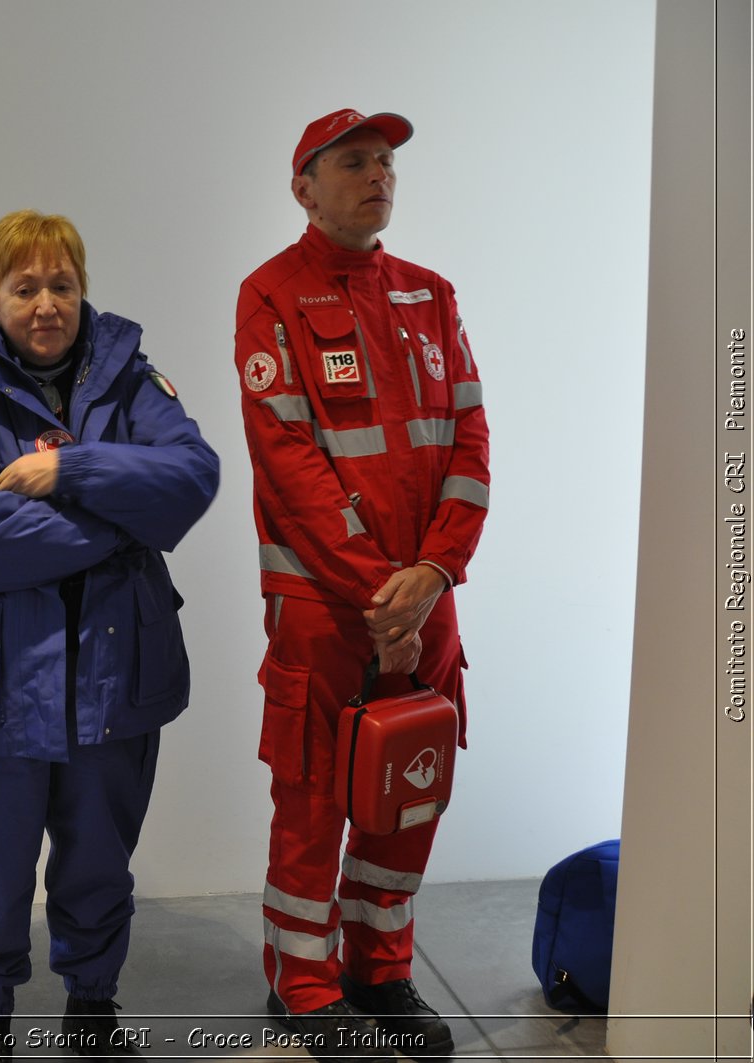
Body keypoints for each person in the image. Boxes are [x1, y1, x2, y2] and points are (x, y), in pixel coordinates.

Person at [0, 210, 219, 1060]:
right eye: (25, 287)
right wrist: (122, 522)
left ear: (82, 290)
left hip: (115, 679)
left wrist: (71, 470)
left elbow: (193, 478)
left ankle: (92, 1008)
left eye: (62, 285)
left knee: (98, 866)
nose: (46, 304)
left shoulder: (135, 386)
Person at [233, 109, 490, 1062]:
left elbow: (470, 443)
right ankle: (302, 983)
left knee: (408, 786)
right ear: (304, 186)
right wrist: (382, 591)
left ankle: (377, 969)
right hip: (323, 603)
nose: (377, 174)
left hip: (427, 599)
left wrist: (432, 572)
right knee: (312, 794)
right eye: (353, 162)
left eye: (385, 162)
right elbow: (289, 461)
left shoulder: (432, 296)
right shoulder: (270, 296)